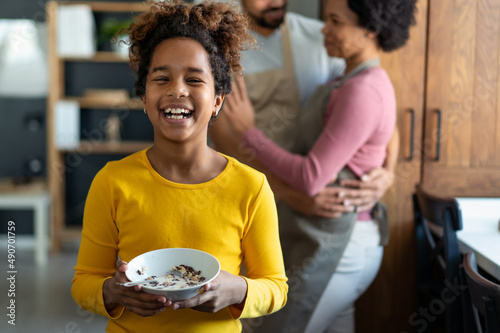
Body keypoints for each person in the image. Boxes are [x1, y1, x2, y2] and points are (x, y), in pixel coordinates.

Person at [71, 1, 288, 332]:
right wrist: (113, 292)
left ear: (217, 100)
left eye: (195, 79)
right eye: (161, 78)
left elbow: (276, 287)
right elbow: (83, 282)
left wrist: (238, 290)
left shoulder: (251, 186)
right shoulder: (113, 182)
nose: (177, 90)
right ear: (144, 97)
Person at [220, 0, 417, 332]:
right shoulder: (220, 44)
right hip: (268, 209)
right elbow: (223, 137)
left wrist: (387, 170)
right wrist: (288, 195)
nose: (276, 1)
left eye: (335, 21)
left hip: (329, 230)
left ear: (369, 27)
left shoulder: (319, 40)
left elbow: (372, 114)